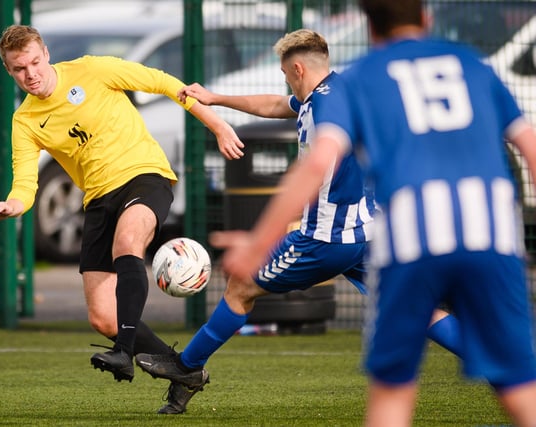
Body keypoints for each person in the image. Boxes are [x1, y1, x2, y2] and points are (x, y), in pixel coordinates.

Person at [193, 2, 536, 426]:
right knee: (520, 384)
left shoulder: (366, 80)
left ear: (369, 25)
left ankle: (187, 365)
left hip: (406, 235)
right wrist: (218, 97)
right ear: (427, 18)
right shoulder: (471, 65)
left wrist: (258, 240)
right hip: (490, 233)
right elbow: (529, 146)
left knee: (391, 390)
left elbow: (317, 164)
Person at [135, 29, 464, 410]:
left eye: (285, 73)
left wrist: (275, 227)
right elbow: (277, 105)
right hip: (368, 232)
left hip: (326, 239)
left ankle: (187, 368)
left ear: (297, 67)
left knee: (241, 285)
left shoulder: (324, 111)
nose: (285, 80)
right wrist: (216, 97)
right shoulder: (338, 92)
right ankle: (505, 367)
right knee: (423, 309)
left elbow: (318, 173)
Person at [0, 24, 244, 414]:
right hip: (99, 201)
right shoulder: (25, 121)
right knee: (103, 317)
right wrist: (12, 205)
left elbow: (167, 84)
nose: (30, 74)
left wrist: (218, 125)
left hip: (145, 175)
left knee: (127, 243)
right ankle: (185, 372)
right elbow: (25, 185)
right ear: (9, 71)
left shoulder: (93, 70)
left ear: (46, 53)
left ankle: (124, 352)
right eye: (19, 69)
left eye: (34, 62)